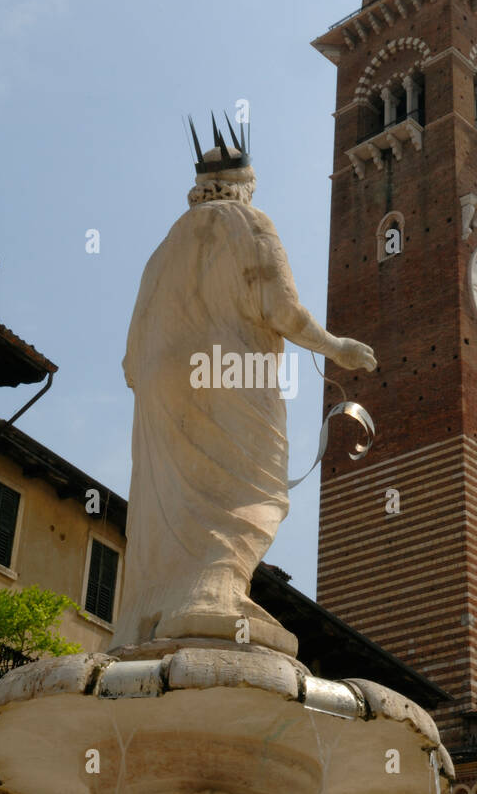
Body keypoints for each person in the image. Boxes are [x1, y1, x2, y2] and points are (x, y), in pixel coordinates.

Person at [110, 118, 376, 657]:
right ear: (245, 183)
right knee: (252, 491)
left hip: (159, 384)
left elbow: (129, 358)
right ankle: (212, 595)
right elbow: (282, 310)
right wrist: (338, 348)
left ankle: (155, 609)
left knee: (180, 496)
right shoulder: (249, 222)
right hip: (230, 370)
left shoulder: (162, 250)